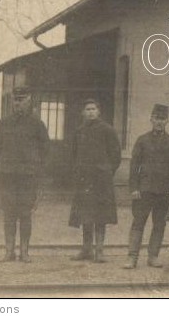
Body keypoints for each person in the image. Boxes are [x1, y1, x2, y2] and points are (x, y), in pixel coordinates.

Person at [0, 86, 49, 263]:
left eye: (22, 99)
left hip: (28, 176)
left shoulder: (37, 124)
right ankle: (9, 251)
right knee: (9, 213)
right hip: (7, 175)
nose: (18, 103)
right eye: (16, 99)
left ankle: (24, 252)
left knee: (25, 213)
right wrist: (5, 163)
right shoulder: (4, 123)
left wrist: (35, 168)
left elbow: (45, 150)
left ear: (29, 100)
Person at [123, 104, 169, 269]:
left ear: (167, 121)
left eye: (162, 119)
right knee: (138, 223)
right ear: (151, 119)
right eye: (156, 118)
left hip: (163, 191)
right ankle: (132, 257)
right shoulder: (142, 140)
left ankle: (153, 256)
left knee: (159, 225)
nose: (159, 122)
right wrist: (134, 188)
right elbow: (134, 166)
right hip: (144, 190)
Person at [69, 98, 122, 263]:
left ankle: (99, 251)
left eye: (93, 109)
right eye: (88, 109)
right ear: (83, 112)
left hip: (101, 180)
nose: (90, 112)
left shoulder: (108, 130)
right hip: (84, 180)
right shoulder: (79, 131)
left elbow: (116, 156)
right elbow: (74, 154)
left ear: (99, 111)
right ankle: (86, 250)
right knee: (85, 215)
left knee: (100, 216)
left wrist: (106, 171)